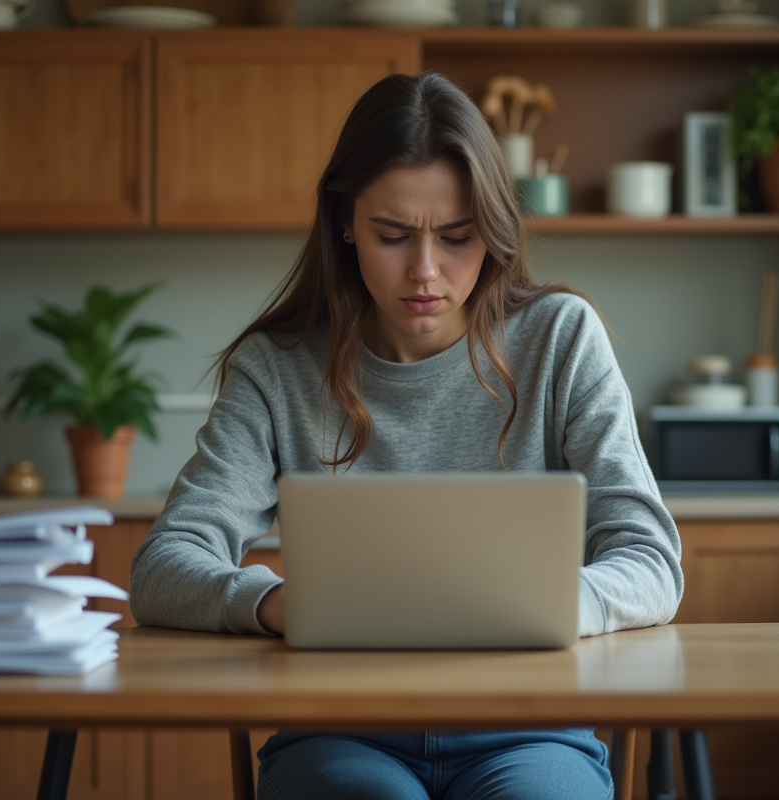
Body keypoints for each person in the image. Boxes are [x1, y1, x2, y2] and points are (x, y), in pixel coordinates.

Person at [130, 71, 682, 800]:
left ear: (493, 229)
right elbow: (163, 566)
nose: (425, 271)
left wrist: (555, 603)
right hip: (337, 731)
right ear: (345, 222)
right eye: (392, 236)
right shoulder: (278, 367)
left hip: (531, 730)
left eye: (457, 237)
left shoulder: (560, 339)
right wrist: (273, 603)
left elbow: (651, 559)